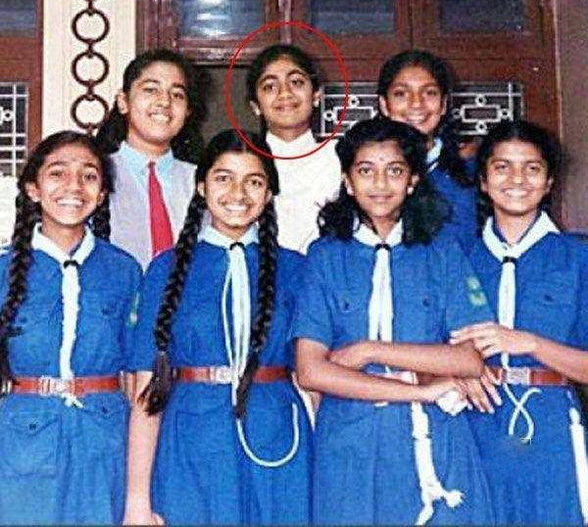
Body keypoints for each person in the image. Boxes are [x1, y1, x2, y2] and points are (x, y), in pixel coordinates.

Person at [292, 117, 494, 525]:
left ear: (413, 180)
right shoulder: (325, 257)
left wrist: (370, 350)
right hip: (350, 441)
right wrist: (420, 390)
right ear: (348, 182)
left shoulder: (442, 252)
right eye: (366, 171)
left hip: (437, 435)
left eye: (395, 171)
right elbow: (311, 370)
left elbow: (469, 359)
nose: (380, 184)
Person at [124, 130, 311, 525]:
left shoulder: (296, 269)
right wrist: (137, 500)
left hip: (278, 435)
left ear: (269, 194)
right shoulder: (166, 268)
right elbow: (146, 388)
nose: (238, 193)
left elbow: (313, 380)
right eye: (223, 178)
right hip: (191, 438)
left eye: (254, 181)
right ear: (201, 186)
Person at [450, 120, 588, 524]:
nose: (517, 179)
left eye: (532, 168)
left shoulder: (578, 258)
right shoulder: (456, 258)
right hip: (471, 425)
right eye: (502, 167)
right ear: (483, 181)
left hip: (551, 429)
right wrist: (455, 369)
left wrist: (529, 343)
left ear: (549, 182)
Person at [0, 131, 142, 524]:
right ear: (33, 189)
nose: (73, 186)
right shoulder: (4, 271)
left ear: (102, 194)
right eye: (57, 173)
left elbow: (136, 377)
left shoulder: (124, 270)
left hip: (104, 441)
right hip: (19, 443)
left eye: (89, 176)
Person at [97, 48, 207, 270]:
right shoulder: (94, 176)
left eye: (177, 94)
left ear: (187, 111)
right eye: (151, 89)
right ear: (123, 102)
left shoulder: (204, 181)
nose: (164, 101)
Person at [246, 44, 340, 253]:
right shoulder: (242, 161)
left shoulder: (340, 157)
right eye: (270, 86)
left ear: (316, 95)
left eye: (296, 82)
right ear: (256, 106)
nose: (285, 93)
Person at [377, 50, 476, 247]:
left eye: (429, 92)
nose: (416, 104)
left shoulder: (471, 169)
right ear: (384, 105)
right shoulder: (366, 170)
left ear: (444, 104)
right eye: (401, 94)